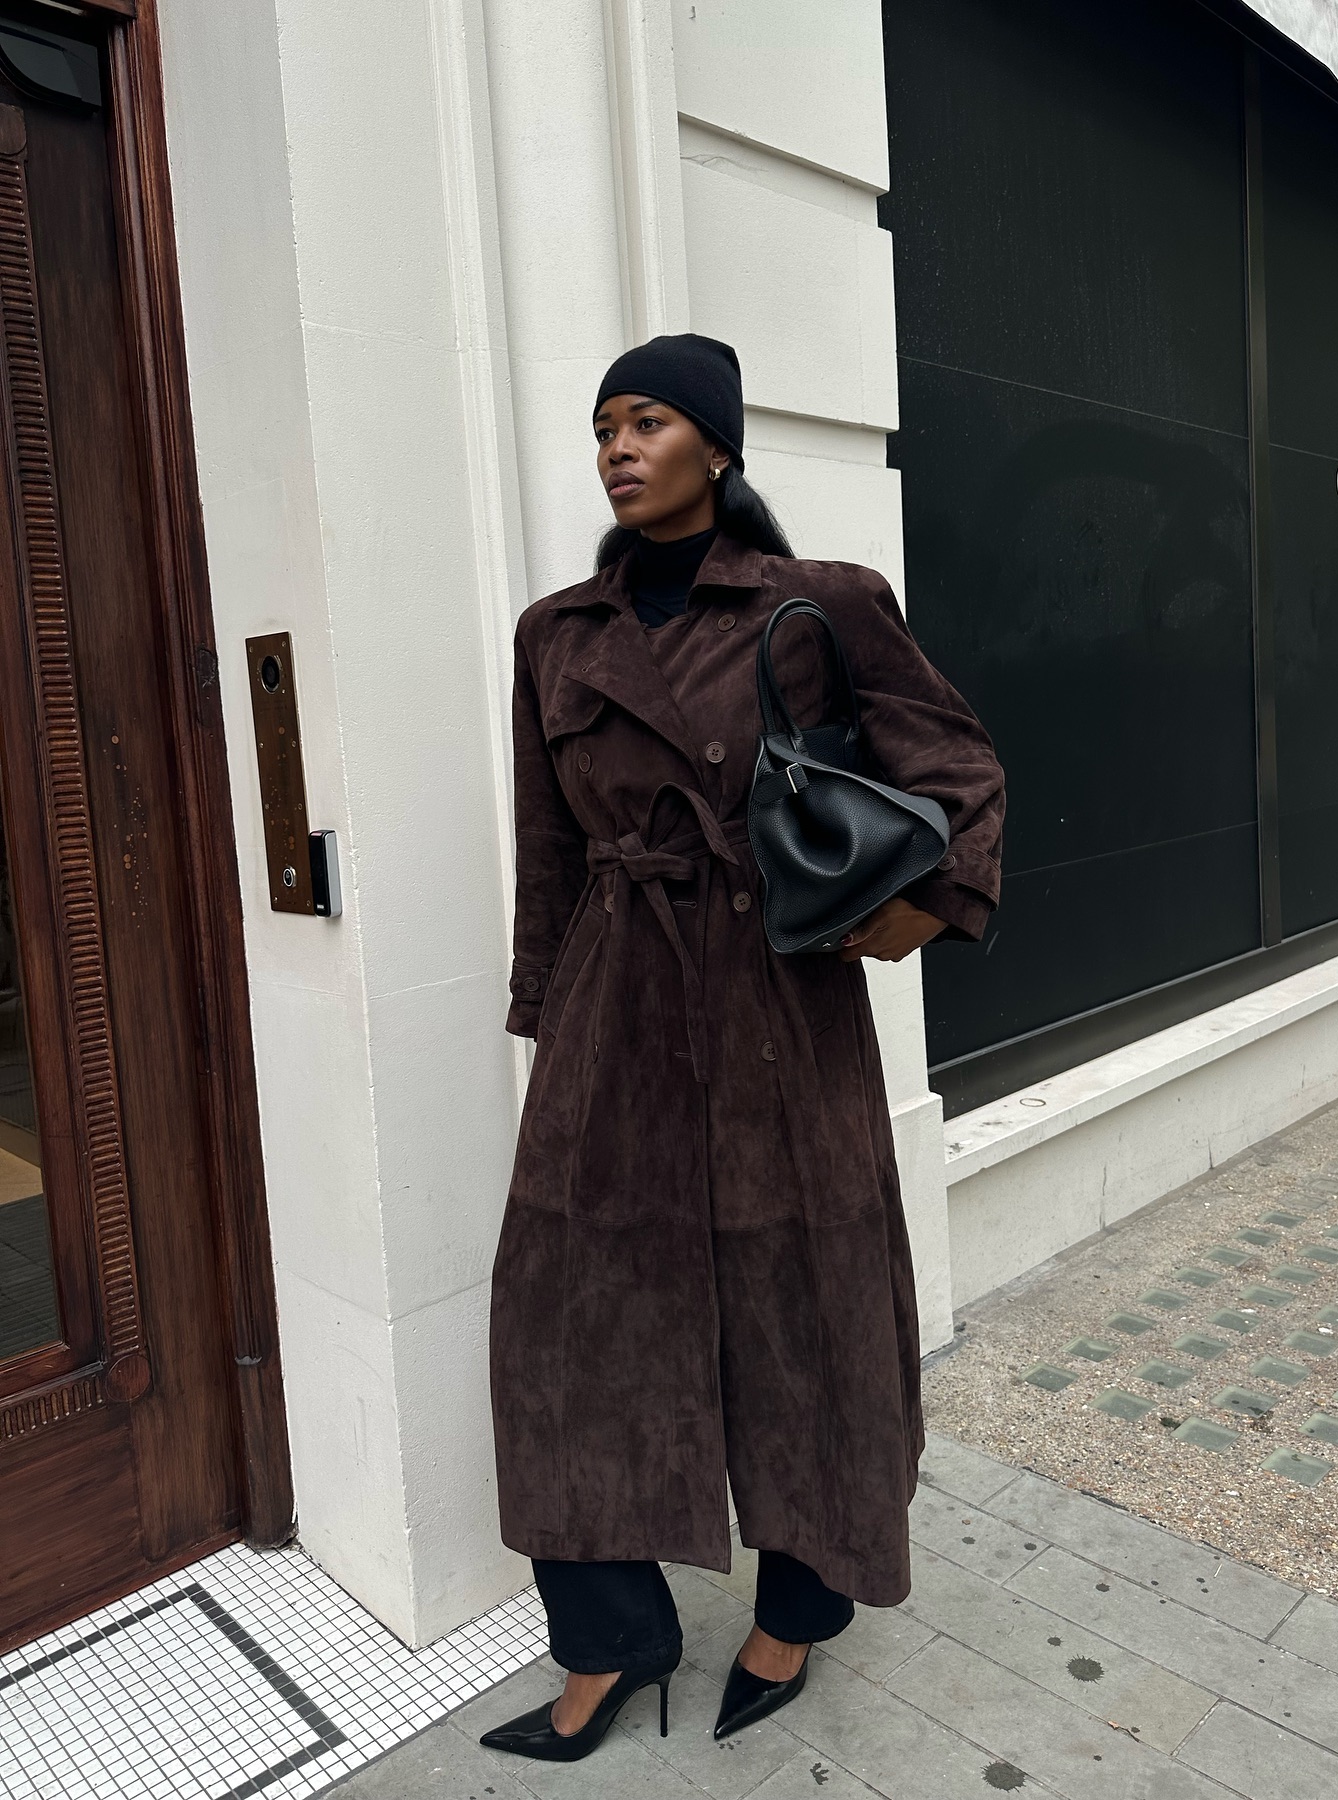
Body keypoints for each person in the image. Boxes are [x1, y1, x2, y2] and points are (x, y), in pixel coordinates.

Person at [481, 333, 1004, 1763]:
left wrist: (914, 910)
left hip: (778, 1003)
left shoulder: (821, 608)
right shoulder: (556, 635)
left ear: (717, 445)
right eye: (602, 428)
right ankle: (608, 1642)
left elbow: (959, 769)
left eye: (648, 421)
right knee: (562, 1328)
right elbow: (547, 847)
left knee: (807, 1312)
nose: (618, 449)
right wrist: (547, 1014)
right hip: (614, 1003)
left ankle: (797, 1610)